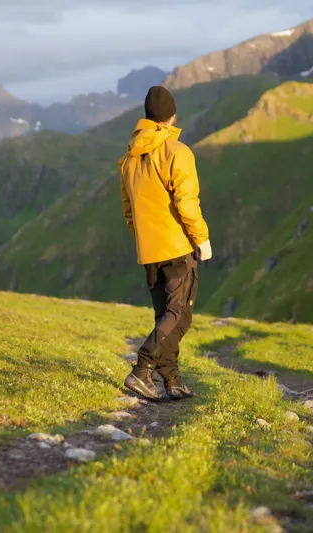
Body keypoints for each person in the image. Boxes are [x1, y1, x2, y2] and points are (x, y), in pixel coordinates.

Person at [119, 85, 212, 401]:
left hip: (149, 250)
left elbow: (128, 210)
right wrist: (201, 238)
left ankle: (171, 380)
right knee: (179, 316)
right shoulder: (177, 151)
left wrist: (145, 238)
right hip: (176, 247)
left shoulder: (129, 158)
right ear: (172, 116)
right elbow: (186, 202)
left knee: (167, 317)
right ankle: (141, 370)